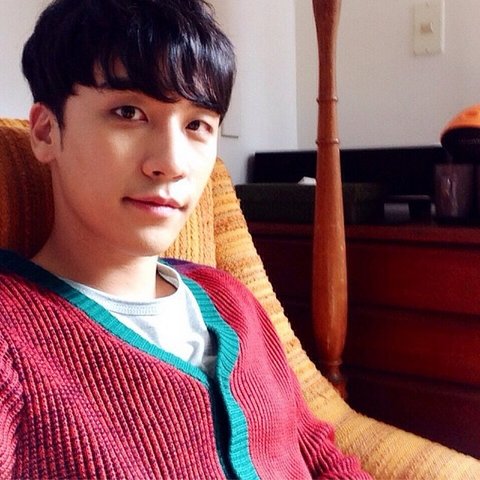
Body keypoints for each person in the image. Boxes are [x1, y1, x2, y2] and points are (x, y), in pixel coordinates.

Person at [0, 0, 371, 478]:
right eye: (128, 112)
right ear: (46, 131)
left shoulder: (232, 300)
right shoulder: (12, 336)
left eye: (197, 124)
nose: (172, 163)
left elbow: (316, 452)